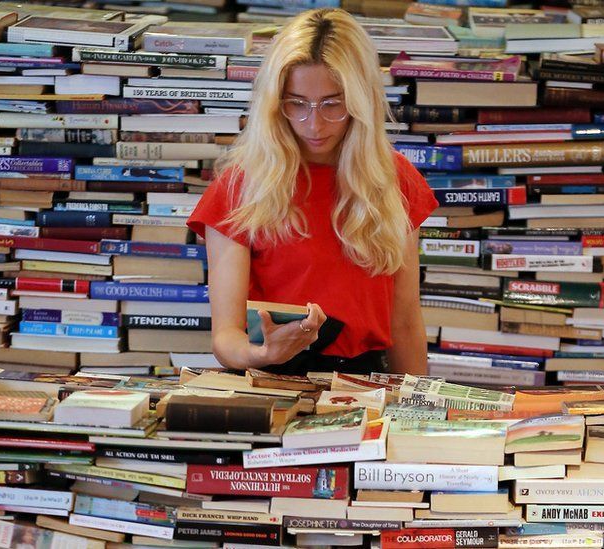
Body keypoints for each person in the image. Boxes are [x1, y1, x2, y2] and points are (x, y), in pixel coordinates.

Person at [187, 8, 438, 376]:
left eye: (332, 104)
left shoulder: (394, 178)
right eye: (297, 103)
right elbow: (225, 338)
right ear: (275, 103)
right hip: (272, 379)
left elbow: (405, 323)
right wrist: (263, 354)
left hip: (365, 381)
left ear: (360, 100)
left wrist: (419, 412)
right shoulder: (242, 184)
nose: (314, 123)